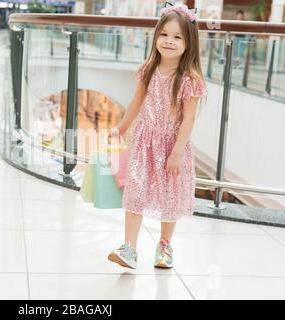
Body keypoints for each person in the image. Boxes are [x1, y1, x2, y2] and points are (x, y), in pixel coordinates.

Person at [107, 3, 207, 270]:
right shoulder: (148, 69)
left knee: (169, 197)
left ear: (189, 43)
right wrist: (122, 127)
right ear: (156, 37)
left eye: (177, 37)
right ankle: (129, 247)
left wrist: (176, 152)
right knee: (135, 192)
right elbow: (136, 102)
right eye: (164, 35)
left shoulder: (190, 79)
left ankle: (165, 246)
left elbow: (188, 119)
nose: (169, 41)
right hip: (143, 142)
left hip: (173, 146)